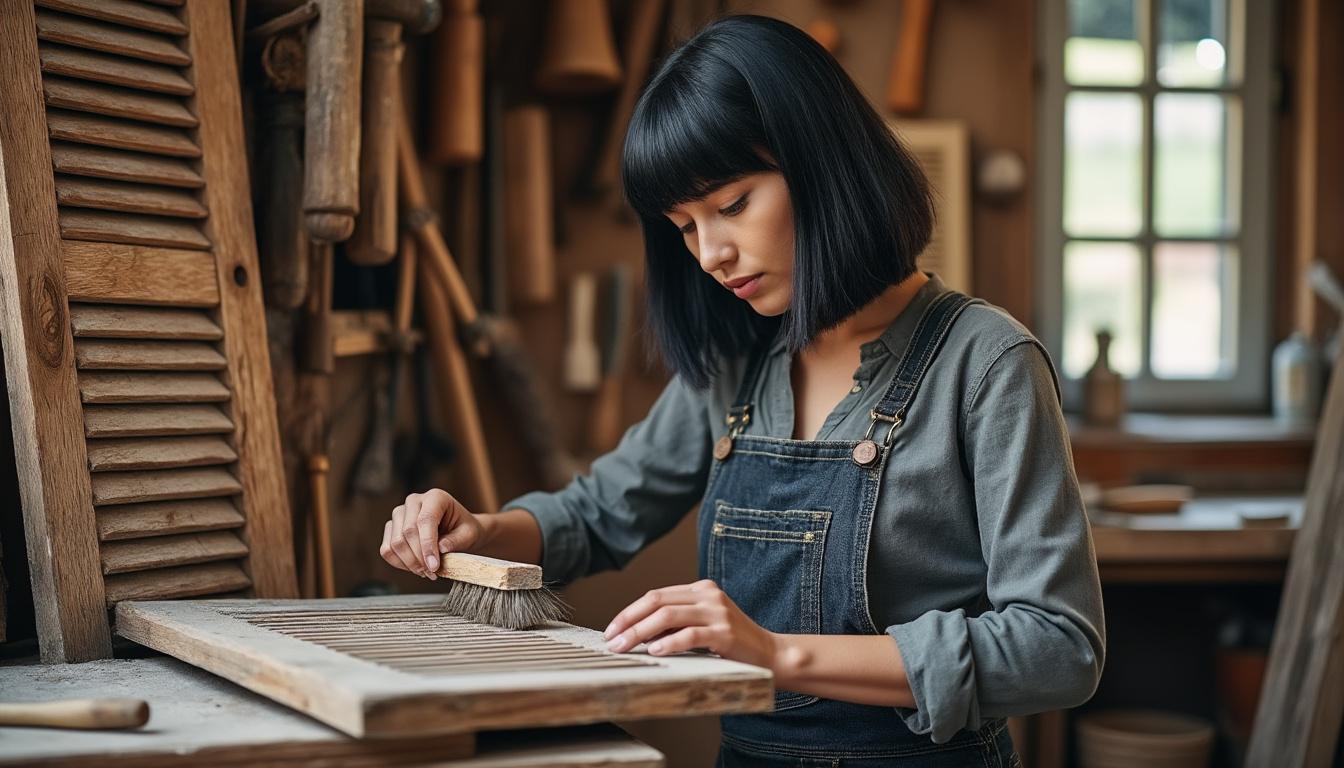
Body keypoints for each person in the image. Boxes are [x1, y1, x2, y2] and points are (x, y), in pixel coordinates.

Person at [380, 14, 1104, 766]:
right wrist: (482, 531)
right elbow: (598, 515)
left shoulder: (986, 363)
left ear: (823, 163)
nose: (712, 254)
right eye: (684, 227)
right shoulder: (739, 362)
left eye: (731, 205)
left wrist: (775, 653)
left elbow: (1058, 647)